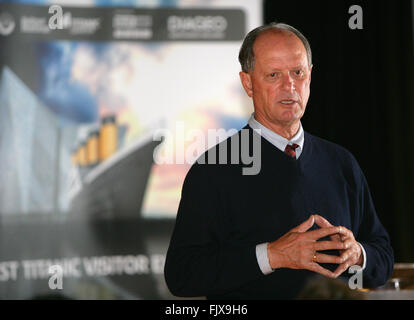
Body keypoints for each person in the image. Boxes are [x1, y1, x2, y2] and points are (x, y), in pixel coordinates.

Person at [164, 22, 394, 299]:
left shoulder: (342, 163)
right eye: (273, 75)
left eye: (297, 72)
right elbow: (182, 274)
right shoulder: (213, 169)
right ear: (248, 83)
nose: (289, 86)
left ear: (309, 76)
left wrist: (358, 254)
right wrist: (271, 256)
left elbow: (383, 257)